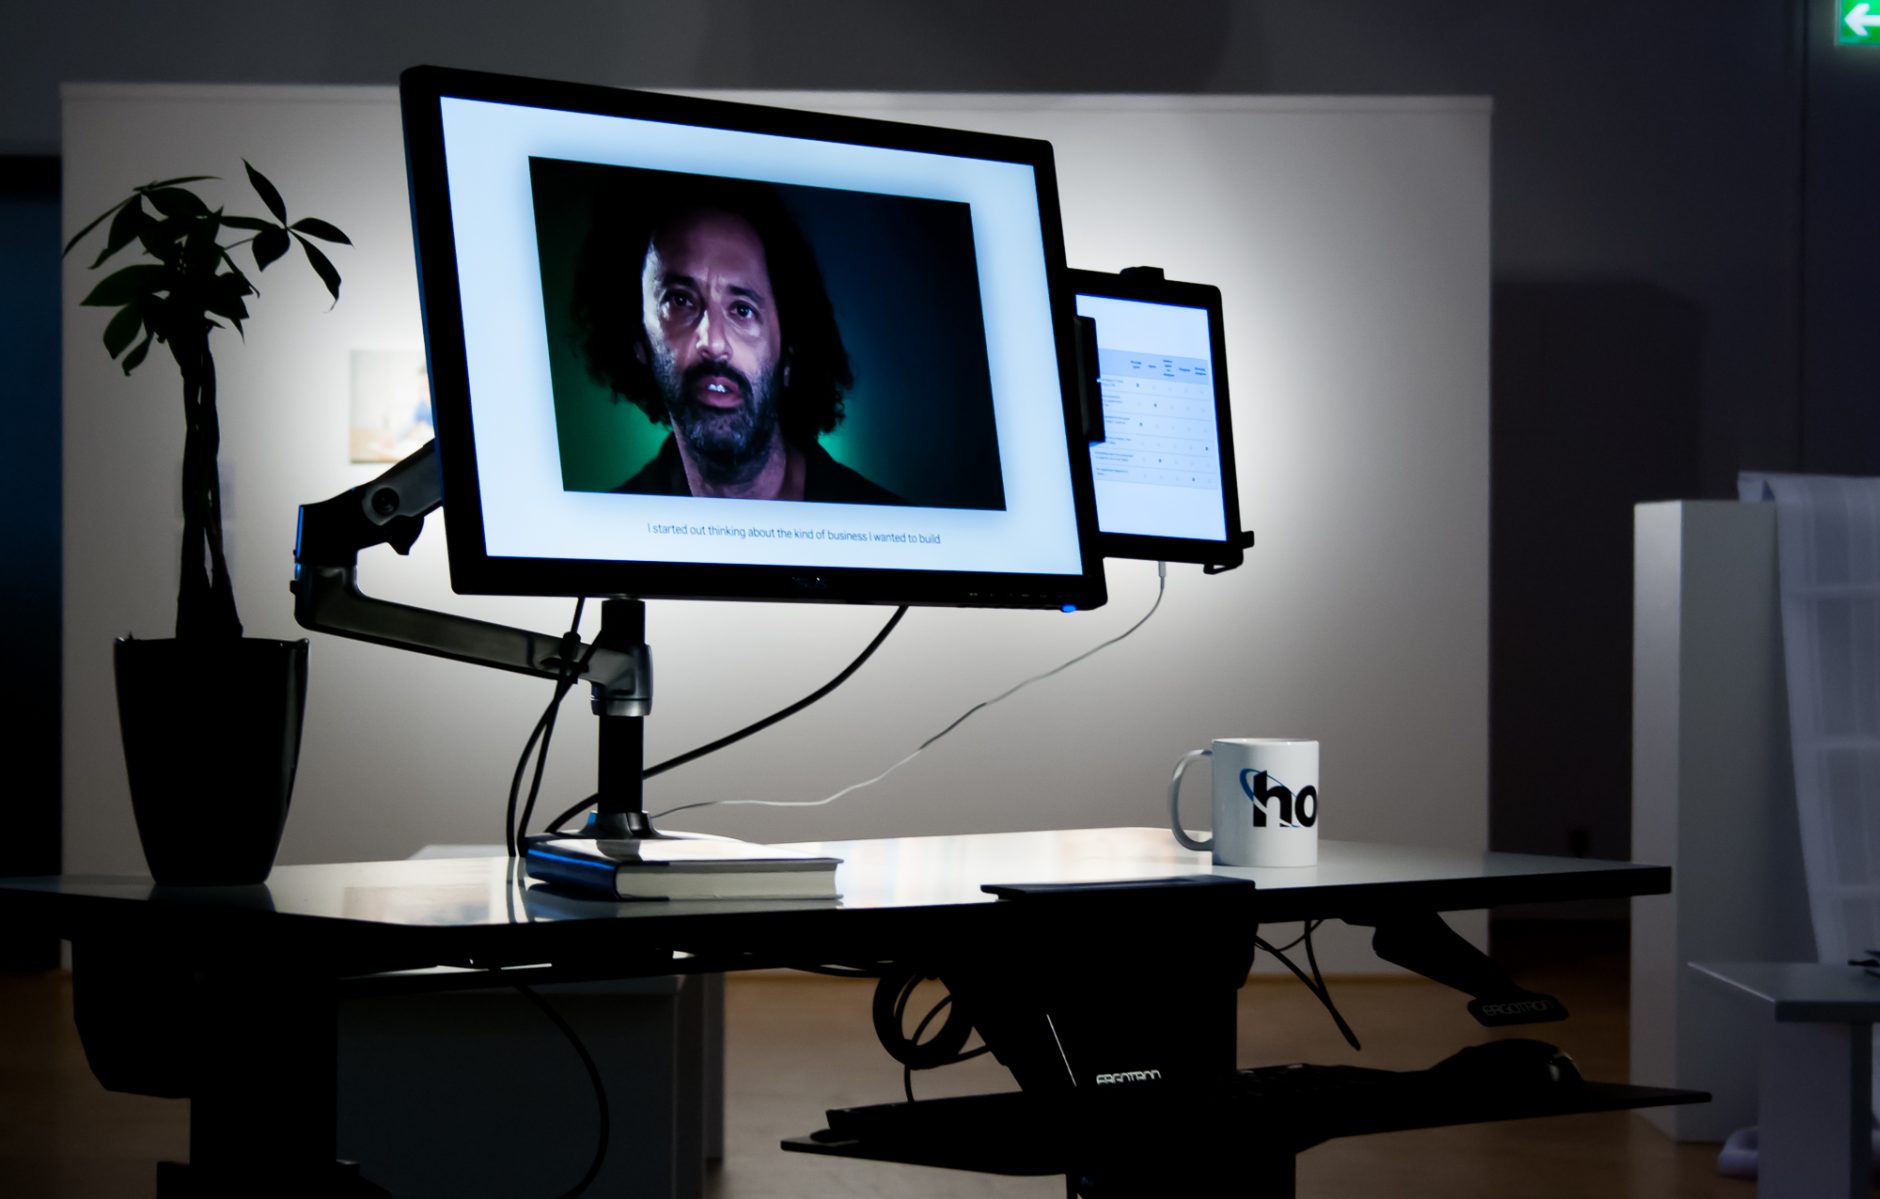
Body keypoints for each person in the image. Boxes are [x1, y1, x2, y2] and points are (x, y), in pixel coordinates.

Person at [571, 176, 900, 504]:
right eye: (680, 301)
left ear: (789, 353)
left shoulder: (884, 522)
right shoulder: (604, 529)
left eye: (742, 310)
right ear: (637, 337)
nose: (713, 342)